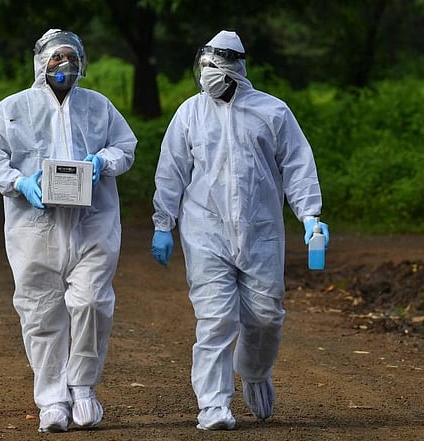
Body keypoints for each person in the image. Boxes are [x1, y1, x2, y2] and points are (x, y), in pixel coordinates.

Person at [150, 30, 330, 430]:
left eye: (214, 67)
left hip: (261, 231)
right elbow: (171, 172)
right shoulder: (190, 114)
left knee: (266, 317)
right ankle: (213, 405)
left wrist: (310, 216)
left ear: (234, 67)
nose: (207, 74)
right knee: (215, 319)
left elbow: (297, 166)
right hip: (205, 231)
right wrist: (164, 223)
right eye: (203, 66)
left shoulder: (272, 112)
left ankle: (253, 370)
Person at [0, 29, 137, 433]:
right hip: (35, 228)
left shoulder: (99, 107)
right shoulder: (14, 108)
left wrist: (103, 161)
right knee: (40, 311)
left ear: (82, 62)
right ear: (40, 62)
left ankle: (82, 388)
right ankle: (51, 399)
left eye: (70, 57)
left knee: (92, 304)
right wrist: (19, 183)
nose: (63, 65)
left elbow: (126, 146)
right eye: (55, 58)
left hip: (93, 223)